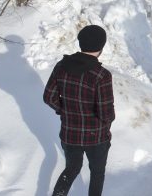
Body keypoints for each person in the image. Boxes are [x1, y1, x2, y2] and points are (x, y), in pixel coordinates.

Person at [44, 25, 115, 196]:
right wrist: (106, 125)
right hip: (96, 137)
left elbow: (48, 97)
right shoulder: (101, 75)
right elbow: (106, 113)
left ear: (81, 43)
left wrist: (65, 110)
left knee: (72, 168)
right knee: (97, 173)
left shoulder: (61, 66)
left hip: (70, 134)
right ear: (101, 46)